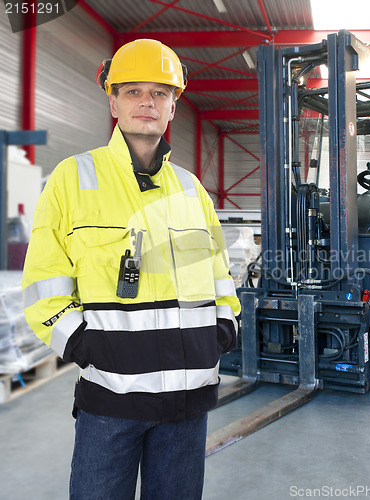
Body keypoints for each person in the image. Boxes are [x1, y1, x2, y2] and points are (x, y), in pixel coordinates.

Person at [22, 39, 241, 500]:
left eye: (160, 93)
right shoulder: (73, 179)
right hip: (111, 403)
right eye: (134, 91)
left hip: (187, 404)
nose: (148, 102)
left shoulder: (192, 189)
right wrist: (87, 347)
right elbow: (44, 285)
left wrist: (222, 330)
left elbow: (220, 275)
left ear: (174, 107)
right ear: (113, 101)